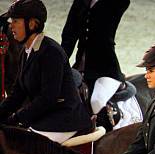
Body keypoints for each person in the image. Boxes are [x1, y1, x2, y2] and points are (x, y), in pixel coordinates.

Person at [0, 0, 91, 143]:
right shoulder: (26, 52)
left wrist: (15, 118)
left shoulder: (51, 52)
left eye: (16, 21)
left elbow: (48, 98)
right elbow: (18, 93)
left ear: (32, 24)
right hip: (46, 116)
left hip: (63, 120)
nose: (11, 25)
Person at [61, 0, 130, 94]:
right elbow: (69, 37)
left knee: (96, 101)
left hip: (104, 68)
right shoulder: (80, 2)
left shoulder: (116, 3)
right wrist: (59, 62)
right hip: (80, 65)